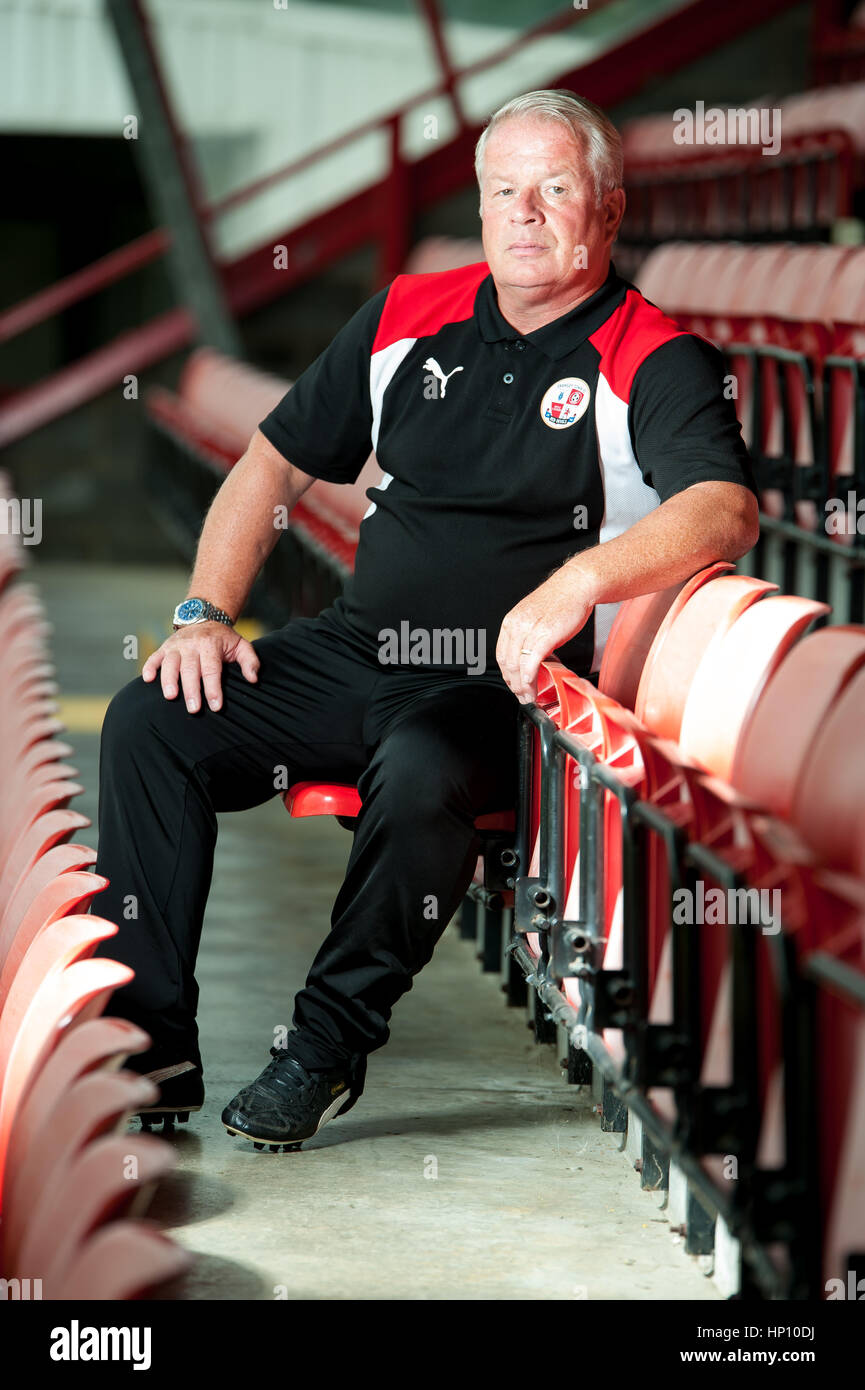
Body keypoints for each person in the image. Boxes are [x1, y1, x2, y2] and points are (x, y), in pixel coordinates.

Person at [92, 89, 759, 1151]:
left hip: (512, 690)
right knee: (150, 716)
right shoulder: (409, 313)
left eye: (554, 190)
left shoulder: (653, 356)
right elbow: (270, 462)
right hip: (357, 651)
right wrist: (203, 611)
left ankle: (321, 1046)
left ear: (610, 210)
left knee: (416, 766)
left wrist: (580, 579)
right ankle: (153, 1042)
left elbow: (726, 507)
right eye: (504, 191)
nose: (525, 214)